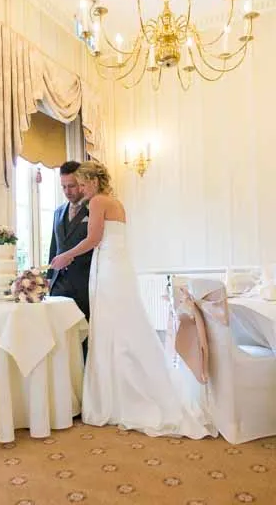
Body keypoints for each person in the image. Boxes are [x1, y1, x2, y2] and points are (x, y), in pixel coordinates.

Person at [50, 161, 216, 439]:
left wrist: (66, 255)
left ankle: (117, 396)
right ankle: (117, 390)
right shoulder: (114, 201)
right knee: (118, 326)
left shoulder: (99, 201)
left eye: (80, 183)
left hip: (109, 270)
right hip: (115, 267)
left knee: (110, 327)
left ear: (91, 182)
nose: (77, 188)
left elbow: (93, 238)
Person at [48, 161, 92, 323]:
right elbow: (55, 246)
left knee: (85, 334)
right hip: (59, 284)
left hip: (85, 282)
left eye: (72, 186)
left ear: (82, 183)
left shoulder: (94, 208)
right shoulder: (58, 212)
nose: (67, 191)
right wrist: (49, 277)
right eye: (64, 187)